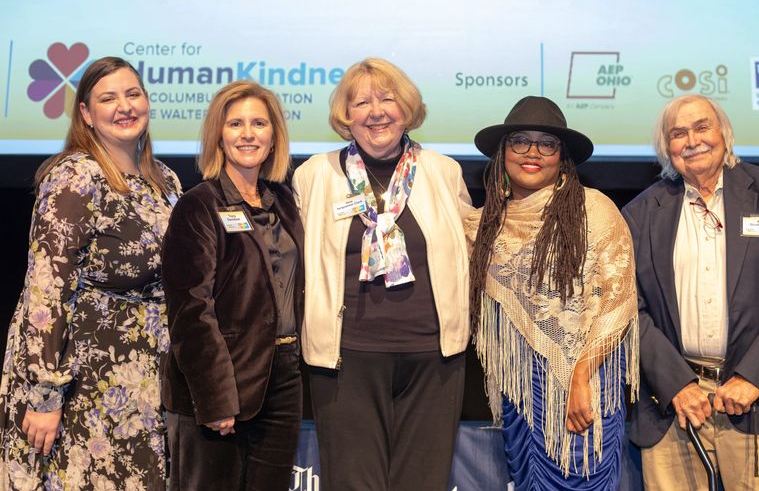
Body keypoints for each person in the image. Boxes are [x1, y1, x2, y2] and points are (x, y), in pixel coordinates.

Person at [0, 57, 181, 490]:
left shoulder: (167, 182)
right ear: (86, 113)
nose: (124, 106)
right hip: (82, 384)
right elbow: (46, 291)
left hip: (149, 381)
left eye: (133, 94)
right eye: (108, 98)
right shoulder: (75, 177)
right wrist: (45, 393)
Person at [292, 58, 471, 490]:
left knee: (422, 483)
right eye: (362, 102)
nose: (376, 112)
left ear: (407, 108)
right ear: (345, 116)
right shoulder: (315, 174)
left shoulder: (443, 171)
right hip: (346, 358)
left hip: (434, 358)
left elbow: (472, 247)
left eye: (388, 99)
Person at [622, 94, 759, 489]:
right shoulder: (639, 213)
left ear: (724, 134)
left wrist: (754, 376)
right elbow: (629, 310)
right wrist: (677, 384)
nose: (692, 140)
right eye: (678, 133)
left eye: (702, 127)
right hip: (676, 408)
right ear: (666, 148)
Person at [465, 96, 639, 489]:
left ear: (562, 158)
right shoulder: (485, 225)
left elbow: (618, 301)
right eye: (519, 141)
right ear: (502, 153)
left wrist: (580, 375)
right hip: (522, 392)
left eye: (547, 143)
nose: (532, 152)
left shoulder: (594, 210)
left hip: (585, 383)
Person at [160, 81, 303, 490]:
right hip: (224, 383)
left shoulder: (284, 201)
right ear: (219, 136)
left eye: (259, 123)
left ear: (274, 136)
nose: (247, 133)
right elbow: (191, 310)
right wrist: (216, 396)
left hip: (284, 376)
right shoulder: (198, 205)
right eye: (235, 123)